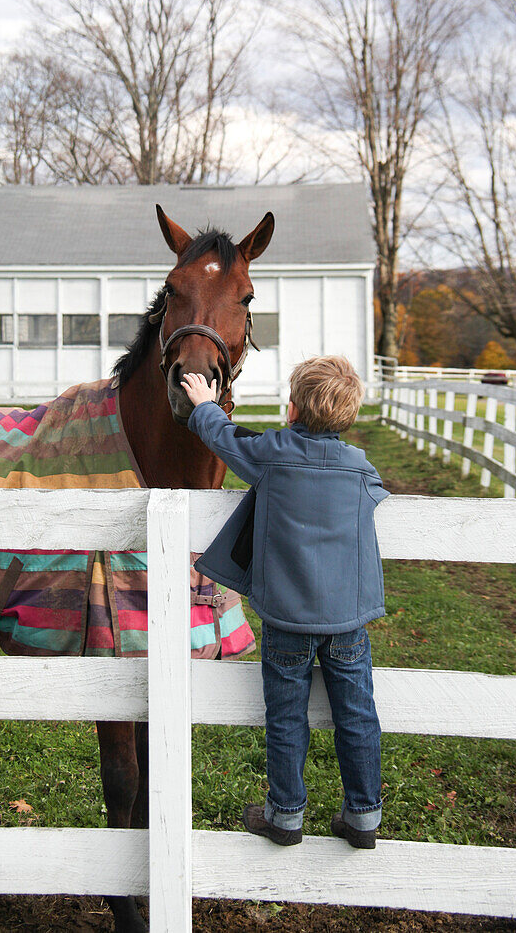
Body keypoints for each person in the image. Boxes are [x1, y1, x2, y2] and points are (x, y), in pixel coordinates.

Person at [181, 354, 388, 850]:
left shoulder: (272, 454)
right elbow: (377, 492)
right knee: (357, 715)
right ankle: (363, 818)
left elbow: (224, 440)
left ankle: (286, 816)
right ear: (349, 415)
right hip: (346, 622)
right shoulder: (360, 468)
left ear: (291, 410)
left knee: (287, 715)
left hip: (286, 619)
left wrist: (206, 405)